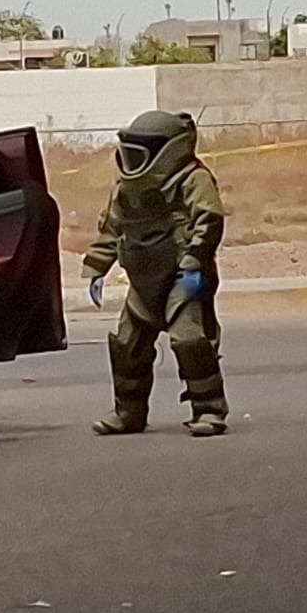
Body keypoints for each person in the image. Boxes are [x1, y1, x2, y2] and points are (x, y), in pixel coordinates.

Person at [81, 111, 229, 438]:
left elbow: (209, 218)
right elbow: (113, 228)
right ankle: (128, 412)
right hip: (142, 278)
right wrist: (96, 268)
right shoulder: (125, 190)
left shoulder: (192, 179)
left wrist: (195, 263)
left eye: (139, 153)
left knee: (189, 339)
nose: (130, 161)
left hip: (181, 274)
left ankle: (209, 409)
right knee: (127, 344)